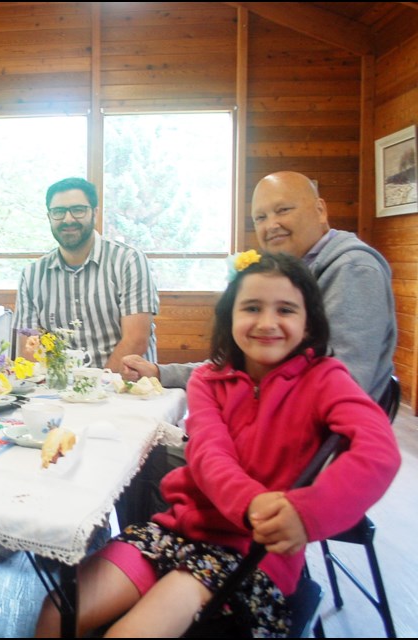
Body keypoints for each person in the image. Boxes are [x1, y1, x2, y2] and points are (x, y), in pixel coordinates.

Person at [36, 252, 401, 638]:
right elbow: (210, 455)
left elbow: (377, 448)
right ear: (230, 317)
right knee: (57, 611)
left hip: (254, 553)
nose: (267, 323)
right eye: (252, 308)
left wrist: (309, 512)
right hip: (178, 529)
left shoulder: (325, 378)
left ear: (309, 323)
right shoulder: (209, 379)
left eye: (286, 310)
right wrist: (252, 503)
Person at [117, 171, 398, 527]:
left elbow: (347, 380)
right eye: (260, 218)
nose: (272, 225)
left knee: (142, 455)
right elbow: (240, 368)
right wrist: (161, 372)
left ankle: (189, 557)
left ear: (321, 210)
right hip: (263, 444)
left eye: (283, 210)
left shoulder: (352, 269)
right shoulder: (293, 275)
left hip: (297, 463)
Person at [13, 177, 159, 373]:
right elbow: (27, 346)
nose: (68, 219)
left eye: (78, 210)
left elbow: (136, 340)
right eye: (58, 212)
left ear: (95, 213)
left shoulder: (128, 261)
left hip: (122, 387)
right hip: (58, 391)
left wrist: (95, 386)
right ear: (49, 217)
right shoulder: (32, 275)